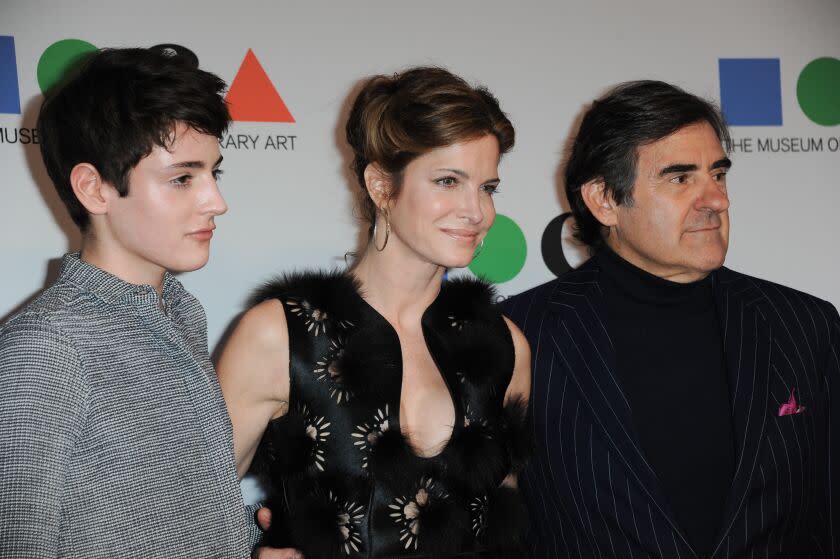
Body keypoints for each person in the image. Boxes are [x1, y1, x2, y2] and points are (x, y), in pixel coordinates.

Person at [501, 80, 840, 558]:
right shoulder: (519, 335)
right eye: (681, 178)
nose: (716, 200)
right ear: (604, 200)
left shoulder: (804, 326)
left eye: (718, 175)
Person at [217, 67, 532, 558]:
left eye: (488, 187)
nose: (477, 211)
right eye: (448, 181)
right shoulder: (279, 336)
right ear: (381, 185)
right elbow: (181, 513)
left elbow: (505, 523)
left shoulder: (503, 344)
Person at [0, 47, 261, 558]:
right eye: (183, 177)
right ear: (93, 189)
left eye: (214, 173)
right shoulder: (45, 350)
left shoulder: (183, 314)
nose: (216, 201)